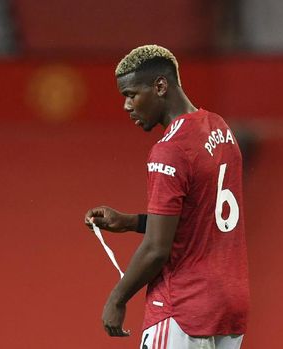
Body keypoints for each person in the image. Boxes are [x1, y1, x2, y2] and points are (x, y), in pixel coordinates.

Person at [84, 45, 249, 349]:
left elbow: (157, 249)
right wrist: (131, 222)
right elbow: (199, 219)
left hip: (182, 308)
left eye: (131, 94)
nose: (126, 106)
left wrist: (117, 299)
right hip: (228, 304)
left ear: (160, 86)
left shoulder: (169, 149)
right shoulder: (220, 129)